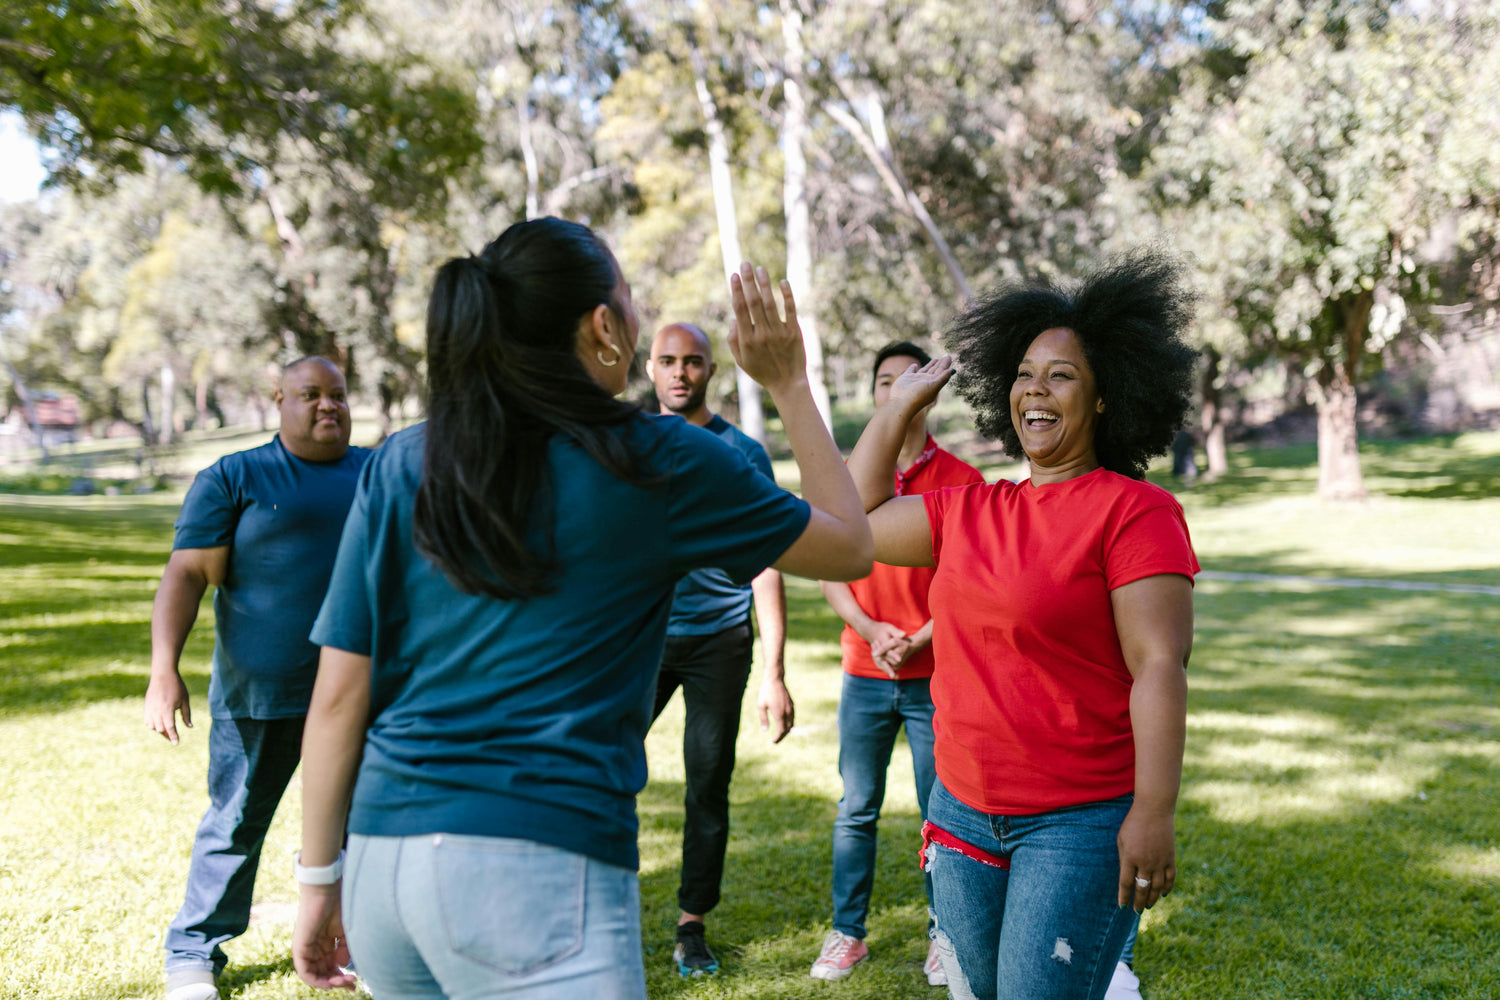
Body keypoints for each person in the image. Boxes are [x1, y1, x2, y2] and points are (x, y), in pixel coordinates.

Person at [289, 218, 873, 1000]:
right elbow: (850, 546)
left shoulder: (403, 458)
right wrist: (790, 383)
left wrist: (317, 880)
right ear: (603, 327)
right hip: (532, 870)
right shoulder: (659, 458)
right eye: (627, 299)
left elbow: (337, 696)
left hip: (382, 865)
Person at [846, 249, 1199, 1000]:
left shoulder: (1135, 511)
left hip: (1077, 823)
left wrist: (1154, 810)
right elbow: (855, 523)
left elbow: (1159, 666)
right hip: (961, 813)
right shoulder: (971, 510)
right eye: (1024, 373)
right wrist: (896, 409)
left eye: (1061, 375)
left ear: (1103, 398)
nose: (1035, 389)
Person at [144, 357, 370, 1000]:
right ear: (278, 399)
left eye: (337, 395)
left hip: (364, 696)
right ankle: (193, 952)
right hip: (263, 695)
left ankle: (363, 943)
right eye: (310, 394)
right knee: (235, 825)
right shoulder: (235, 476)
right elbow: (187, 574)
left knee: (366, 828)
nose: (327, 405)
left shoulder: (379, 472)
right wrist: (164, 670)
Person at [810, 341, 984, 986]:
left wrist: (919, 637)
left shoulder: (965, 480)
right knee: (857, 808)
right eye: (885, 380)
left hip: (934, 678)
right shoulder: (849, 476)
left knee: (940, 815)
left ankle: (944, 934)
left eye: (908, 378)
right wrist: (871, 629)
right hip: (863, 672)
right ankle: (846, 933)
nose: (896, 390)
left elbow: (973, 583)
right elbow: (828, 564)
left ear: (929, 392)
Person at [646, 321, 794, 977]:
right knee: (595, 766)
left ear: (711, 369)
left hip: (719, 642)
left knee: (707, 782)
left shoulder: (742, 453)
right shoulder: (630, 444)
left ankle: (691, 925)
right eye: (667, 360)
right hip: (641, 638)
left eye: (692, 361)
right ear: (650, 368)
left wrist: (775, 673)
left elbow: (767, 562)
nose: (680, 372)